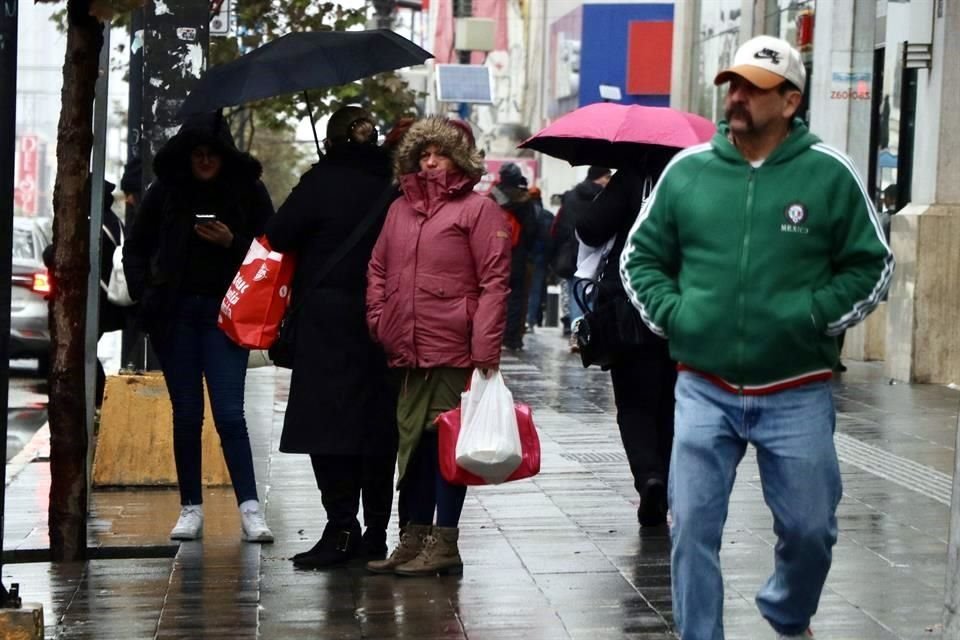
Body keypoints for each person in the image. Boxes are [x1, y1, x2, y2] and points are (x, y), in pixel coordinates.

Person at [620, 35, 894, 639]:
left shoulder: (829, 173)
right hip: (703, 386)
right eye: (733, 85)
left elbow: (872, 264)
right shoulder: (688, 172)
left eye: (754, 88)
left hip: (796, 389)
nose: (737, 97)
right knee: (690, 528)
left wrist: (811, 315)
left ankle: (789, 614)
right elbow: (640, 257)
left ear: (790, 101)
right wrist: (677, 314)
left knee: (810, 529)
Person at [365, 116, 511, 576]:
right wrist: (380, 320)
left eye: (440, 153)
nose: (430, 162)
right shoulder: (398, 210)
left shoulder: (478, 210)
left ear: (459, 158)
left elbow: (494, 282)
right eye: (423, 153)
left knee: (445, 445)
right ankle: (414, 537)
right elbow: (378, 269)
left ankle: (444, 540)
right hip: (407, 348)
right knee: (412, 447)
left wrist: (484, 346)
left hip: (454, 349)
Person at [123, 112, 275, 543]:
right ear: (187, 156)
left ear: (225, 156)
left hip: (227, 317)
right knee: (187, 414)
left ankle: (250, 509)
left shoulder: (248, 191)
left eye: (212, 154)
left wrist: (234, 242)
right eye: (197, 154)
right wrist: (145, 292)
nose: (205, 161)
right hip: (175, 317)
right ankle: (191, 507)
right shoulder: (166, 191)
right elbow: (135, 247)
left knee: (230, 413)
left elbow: (273, 250)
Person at [264, 106, 399, 569]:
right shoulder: (394, 183)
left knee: (329, 429)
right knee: (377, 429)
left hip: (324, 324)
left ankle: (341, 528)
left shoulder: (321, 181)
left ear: (334, 139)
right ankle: (378, 533)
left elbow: (279, 234)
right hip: (383, 321)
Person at [577, 158, 676, 527]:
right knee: (670, 402)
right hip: (683, 305)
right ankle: (663, 483)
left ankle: (649, 477)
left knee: (634, 403)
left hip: (628, 306)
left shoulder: (633, 177)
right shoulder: (693, 175)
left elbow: (588, 228)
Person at [555, 166, 611, 350]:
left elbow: (561, 225)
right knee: (591, 294)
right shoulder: (603, 196)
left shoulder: (570, 196)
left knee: (574, 293)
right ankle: (588, 334)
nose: (609, 179)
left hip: (571, 250)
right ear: (599, 178)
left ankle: (576, 334)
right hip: (594, 250)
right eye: (607, 176)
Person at [490, 162, 536, 351]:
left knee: (493, 295)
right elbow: (532, 229)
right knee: (516, 296)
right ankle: (512, 338)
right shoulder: (525, 200)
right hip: (518, 254)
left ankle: (493, 336)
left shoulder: (492, 197)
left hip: (494, 253)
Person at [525, 186, 554, 331]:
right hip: (541, 257)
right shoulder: (547, 215)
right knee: (536, 290)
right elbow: (551, 238)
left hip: (525, 256)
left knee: (522, 289)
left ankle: (523, 320)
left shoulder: (523, 212)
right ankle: (530, 320)